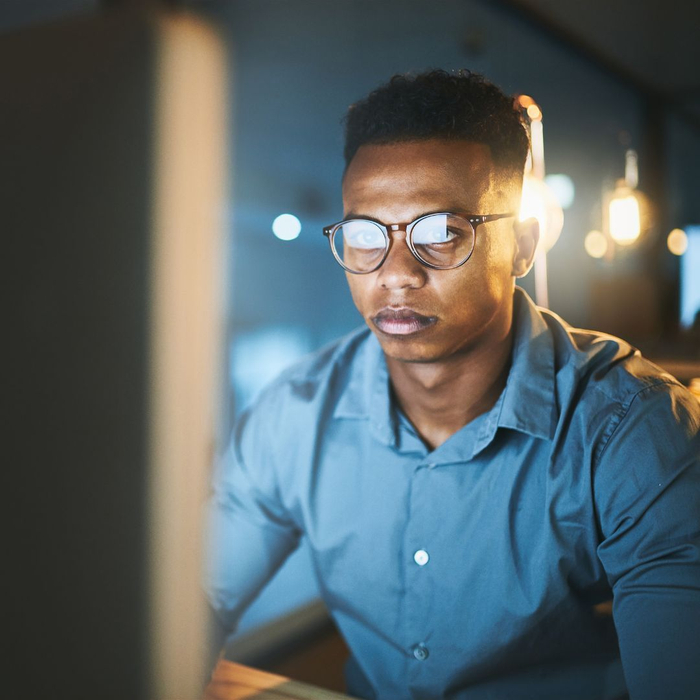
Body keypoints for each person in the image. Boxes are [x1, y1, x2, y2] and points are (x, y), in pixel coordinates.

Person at [206, 69, 700, 700]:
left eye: (440, 233)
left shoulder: (631, 430)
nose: (396, 275)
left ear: (522, 245)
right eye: (364, 236)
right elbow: (190, 600)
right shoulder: (297, 412)